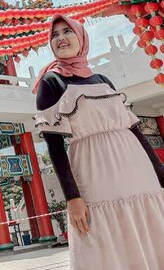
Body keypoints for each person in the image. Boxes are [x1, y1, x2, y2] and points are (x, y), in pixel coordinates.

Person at [33, 13, 164, 270]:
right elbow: (55, 147)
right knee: (103, 239)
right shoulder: (51, 82)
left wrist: (160, 172)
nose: (60, 38)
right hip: (94, 174)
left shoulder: (103, 81)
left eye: (67, 32)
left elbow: (135, 130)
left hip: (138, 171)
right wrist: (72, 198)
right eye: (54, 35)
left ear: (81, 38)